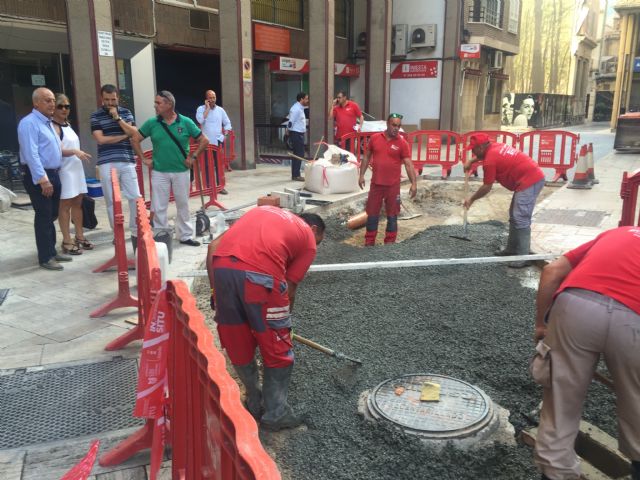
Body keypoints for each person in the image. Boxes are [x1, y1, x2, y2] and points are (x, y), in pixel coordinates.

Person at [533, 226, 640, 480]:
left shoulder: (619, 233)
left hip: (575, 307)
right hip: (635, 321)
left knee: (561, 401)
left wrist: (541, 325)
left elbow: (551, 271)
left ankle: (555, 472)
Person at [205, 206, 325, 431]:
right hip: (261, 278)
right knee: (278, 352)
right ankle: (275, 414)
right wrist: (283, 324)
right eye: (319, 242)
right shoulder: (308, 237)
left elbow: (213, 248)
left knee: (237, 341)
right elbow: (289, 288)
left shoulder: (261, 212)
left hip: (221, 271)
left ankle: (253, 400)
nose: (314, 247)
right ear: (314, 228)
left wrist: (216, 295)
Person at [130, 90, 208, 247]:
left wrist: (192, 157)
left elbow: (204, 140)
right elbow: (135, 139)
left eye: (158, 103)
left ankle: (185, 235)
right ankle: (161, 235)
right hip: (160, 172)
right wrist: (143, 158)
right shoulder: (152, 123)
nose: (155, 106)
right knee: (158, 205)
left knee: (183, 204)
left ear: (169, 104)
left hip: (181, 171)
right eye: (155, 103)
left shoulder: (185, 122)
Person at [463, 133, 545, 268]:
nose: (472, 151)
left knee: (520, 217)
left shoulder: (490, 161)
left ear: (482, 147)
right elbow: (483, 156)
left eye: (474, 149)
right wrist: (472, 161)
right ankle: (512, 249)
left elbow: (487, 187)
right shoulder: (494, 146)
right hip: (528, 178)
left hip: (531, 180)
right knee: (514, 215)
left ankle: (523, 257)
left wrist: (471, 199)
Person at [18, 87, 72, 270]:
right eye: (47, 100)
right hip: (41, 176)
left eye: (52, 100)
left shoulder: (48, 122)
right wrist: (43, 179)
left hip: (53, 173)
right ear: (36, 103)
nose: (52, 104)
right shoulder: (29, 123)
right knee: (44, 216)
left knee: (51, 214)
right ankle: (45, 257)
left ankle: (51, 250)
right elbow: (31, 154)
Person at [90, 84, 141, 245]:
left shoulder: (126, 112)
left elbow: (135, 133)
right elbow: (100, 139)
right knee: (112, 200)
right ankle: (117, 234)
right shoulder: (95, 116)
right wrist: (123, 136)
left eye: (113, 99)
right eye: (107, 100)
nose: (110, 103)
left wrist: (117, 118)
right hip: (106, 162)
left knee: (135, 196)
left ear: (117, 98)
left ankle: (135, 231)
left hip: (127, 160)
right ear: (101, 98)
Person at [358, 113, 417, 246]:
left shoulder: (402, 143)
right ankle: (369, 242)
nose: (396, 128)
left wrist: (414, 183)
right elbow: (366, 157)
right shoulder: (374, 139)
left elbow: (408, 164)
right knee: (372, 214)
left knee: (392, 214)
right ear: (387, 124)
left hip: (393, 186)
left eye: (399, 126)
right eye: (394, 125)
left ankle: (390, 243)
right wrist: (361, 175)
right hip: (376, 185)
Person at [52, 93, 93, 255]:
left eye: (67, 106)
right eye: (60, 106)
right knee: (65, 206)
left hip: (76, 169)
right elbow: (55, 151)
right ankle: (67, 240)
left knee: (78, 203)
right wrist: (75, 151)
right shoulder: (53, 127)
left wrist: (77, 153)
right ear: (54, 108)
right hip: (64, 170)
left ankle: (80, 236)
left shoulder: (67, 124)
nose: (64, 109)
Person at [195, 90, 231, 194]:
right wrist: (207, 108)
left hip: (218, 142)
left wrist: (225, 135)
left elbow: (227, 123)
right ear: (206, 99)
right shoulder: (201, 109)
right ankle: (207, 188)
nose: (212, 100)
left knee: (219, 165)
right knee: (206, 165)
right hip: (205, 143)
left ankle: (220, 187)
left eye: (214, 97)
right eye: (210, 98)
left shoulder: (220, 110)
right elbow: (200, 121)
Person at [287, 92, 309, 181]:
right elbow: (291, 121)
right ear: (301, 99)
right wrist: (288, 130)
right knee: (299, 154)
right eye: (306, 99)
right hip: (296, 134)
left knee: (298, 154)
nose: (307, 100)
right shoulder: (296, 109)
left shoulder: (300, 108)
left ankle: (295, 174)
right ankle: (296, 175)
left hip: (299, 133)